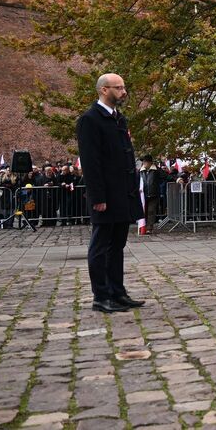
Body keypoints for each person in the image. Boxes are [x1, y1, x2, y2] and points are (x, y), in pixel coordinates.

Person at [76, 73, 145, 313]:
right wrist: (98, 197)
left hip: (123, 193)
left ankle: (117, 292)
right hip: (106, 195)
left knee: (117, 245)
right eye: (118, 88)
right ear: (104, 90)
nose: (123, 92)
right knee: (101, 246)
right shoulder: (90, 120)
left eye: (124, 87)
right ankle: (101, 296)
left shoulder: (119, 118)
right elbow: (91, 162)